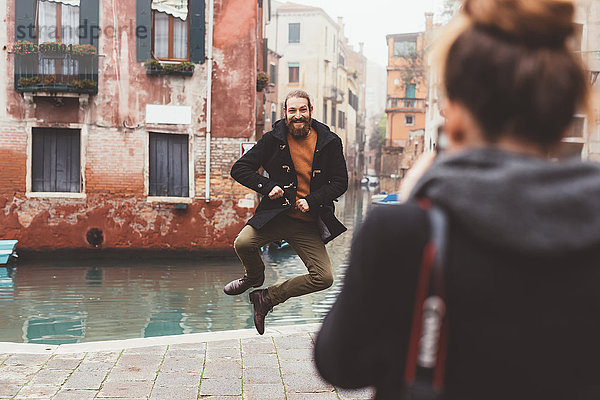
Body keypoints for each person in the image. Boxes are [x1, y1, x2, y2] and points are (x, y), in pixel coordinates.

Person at [315, 0, 600, 399]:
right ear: (562, 109)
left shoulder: (402, 230)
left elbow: (340, 364)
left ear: (458, 116)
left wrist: (412, 201)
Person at [226, 90, 348, 335]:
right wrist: (267, 186)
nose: (298, 115)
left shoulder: (329, 141)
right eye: (292, 111)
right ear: (285, 113)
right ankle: (254, 277)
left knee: (324, 278)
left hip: (307, 223)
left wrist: (312, 201)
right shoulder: (273, 139)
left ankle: (267, 298)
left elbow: (340, 182)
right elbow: (240, 169)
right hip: (276, 216)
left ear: (311, 111)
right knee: (242, 243)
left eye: (302, 110)